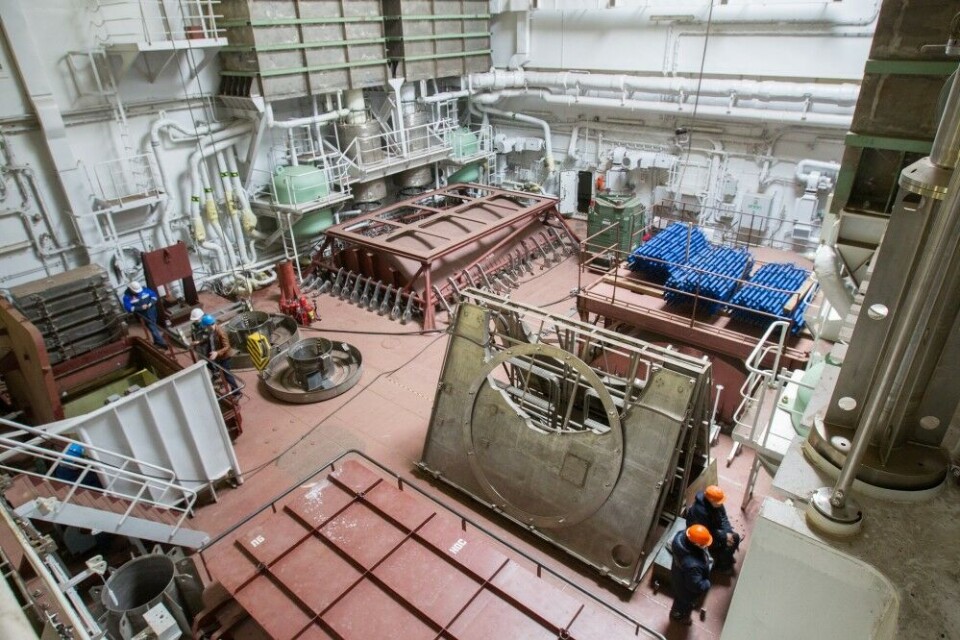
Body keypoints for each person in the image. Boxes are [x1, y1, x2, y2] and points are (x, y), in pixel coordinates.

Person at [685, 485, 742, 575]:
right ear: (711, 500)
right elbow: (706, 531)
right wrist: (724, 536)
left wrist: (728, 532)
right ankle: (722, 566)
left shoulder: (716, 502)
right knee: (727, 546)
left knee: (735, 538)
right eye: (719, 502)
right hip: (702, 535)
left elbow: (723, 517)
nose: (721, 503)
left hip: (714, 528)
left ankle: (725, 557)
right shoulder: (700, 511)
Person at [670, 524, 713, 625]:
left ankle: (678, 609)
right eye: (703, 545)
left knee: (678, 597)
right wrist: (706, 583)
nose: (706, 546)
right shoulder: (693, 565)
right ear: (696, 545)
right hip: (685, 590)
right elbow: (694, 585)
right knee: (683, 602)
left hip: (677, 576)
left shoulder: (680, 537)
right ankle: (677, 614)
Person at [196, 314, 239, 393]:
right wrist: (199, 342)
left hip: (224, 357)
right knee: (210, 365)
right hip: (217, 355)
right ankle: (217, 376)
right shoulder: (211, 330)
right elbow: (209, 339)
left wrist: (217, 353)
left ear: (209, 325)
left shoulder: (221, 332)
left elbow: (227, 346)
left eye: (206, 327)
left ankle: (237, 392)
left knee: (227, 375)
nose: (205, 328)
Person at [122, 281, 167, 348]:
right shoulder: (127, 297)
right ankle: (163, 343)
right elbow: (128, 308)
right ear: (131, 289)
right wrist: (140, 308)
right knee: (152, 327)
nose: (138, 292)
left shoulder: (145, 290)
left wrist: (150, 304)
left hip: (152, 311)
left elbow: (154, 296)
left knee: (153, 326)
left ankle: (157, 342)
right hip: (143, 315)